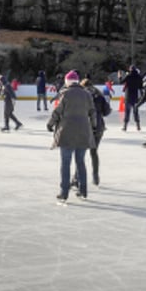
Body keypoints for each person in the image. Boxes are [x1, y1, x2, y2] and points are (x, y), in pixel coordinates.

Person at [47, 70, 97, 202]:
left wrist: (50, 124)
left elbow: (58, 111)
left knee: (66, 162)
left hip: (67, 132)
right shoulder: (87, 94)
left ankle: (64, 192)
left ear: (67, 81)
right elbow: (92, 111)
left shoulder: (65, 94)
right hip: (83, 132)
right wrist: (93, 125)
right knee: (80, 162)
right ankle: (83, 191)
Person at [121, 66, 143, 131]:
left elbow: (121, 82)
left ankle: (125, 126)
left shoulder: (128, 76)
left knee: (127, 112)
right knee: (136, 112)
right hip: (135, 96)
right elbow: (141, 86)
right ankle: (138, 126)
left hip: (128, 96)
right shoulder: (139, 77)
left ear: (130, 70)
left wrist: (120, 77)